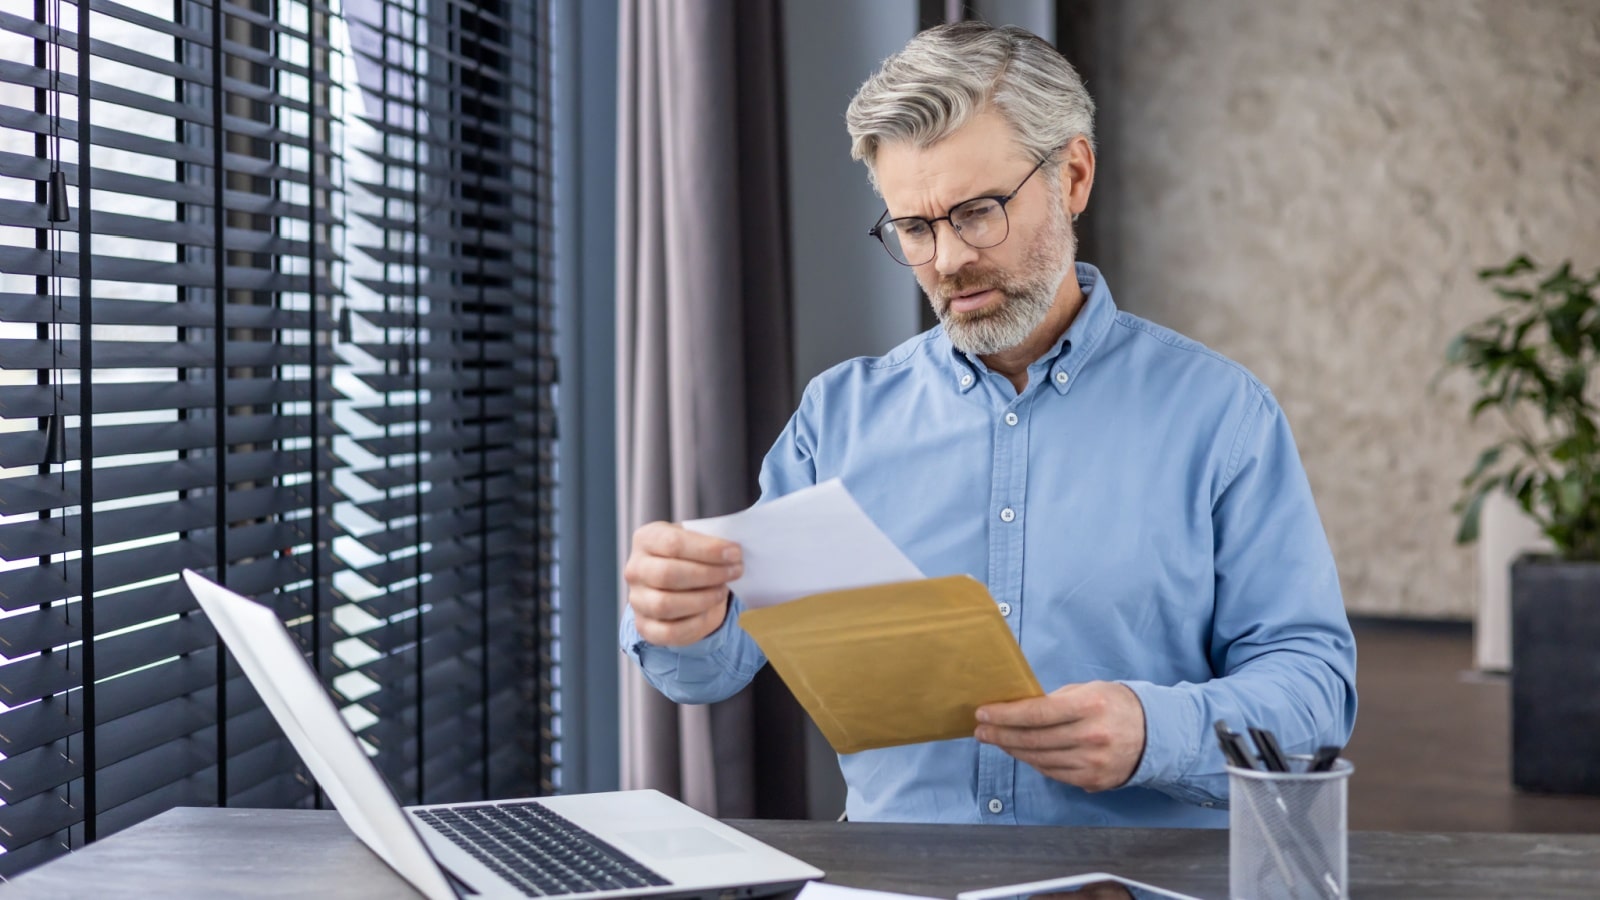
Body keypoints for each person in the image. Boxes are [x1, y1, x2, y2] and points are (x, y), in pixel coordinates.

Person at [620, 21, 1356, 828]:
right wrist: (684, 619)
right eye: (914, 228)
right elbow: (714, 669)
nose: (945, 260)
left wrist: (1156, 732)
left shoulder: (1223, 419)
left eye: (976, 212)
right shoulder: (835, 421)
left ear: (1074, 175)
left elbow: (1316, 693)